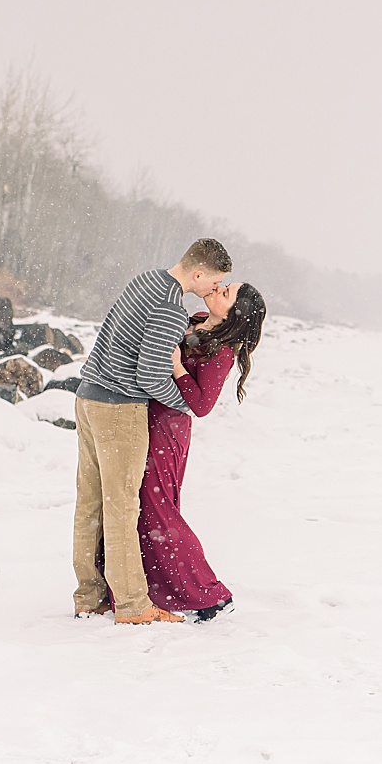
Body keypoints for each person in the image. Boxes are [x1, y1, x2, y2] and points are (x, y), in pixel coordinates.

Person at [72, 238, 232, 625]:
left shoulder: (145, 280)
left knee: (90, 504)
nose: (214, 290)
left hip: (88, 396)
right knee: (123, 508)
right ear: (198, 273)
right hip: (119, 408)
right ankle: (132, 606)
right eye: (216, 282)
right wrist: (184, 404)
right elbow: (148, 374)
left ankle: (89, 597)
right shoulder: (171, 310)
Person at [137, 281, 267, 623]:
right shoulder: (193, 320)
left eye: (227, 293)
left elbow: (201, 404)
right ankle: (151, 587)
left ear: (235, 313)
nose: (219, 289)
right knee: (142, 507)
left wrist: (177, 365)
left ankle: (210, 595)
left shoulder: (220, 350)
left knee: (158, 512)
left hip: (167, 429)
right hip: (145, 418)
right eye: (224, 285)